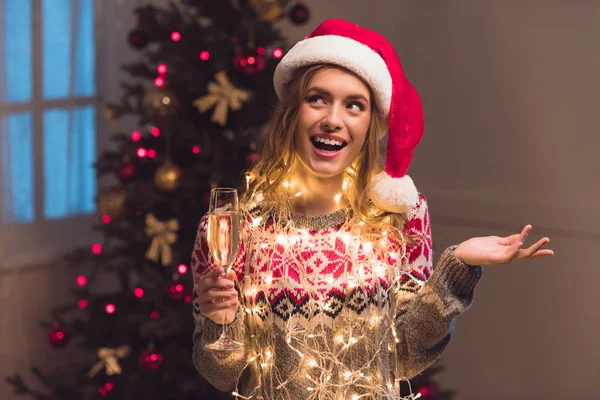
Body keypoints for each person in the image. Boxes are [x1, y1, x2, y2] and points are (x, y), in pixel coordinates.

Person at [191, 19, 553, 400]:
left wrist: (457, 266)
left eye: (354, 106)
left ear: (371, 125)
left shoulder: (399, 216)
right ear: (292, 112)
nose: (333, 120)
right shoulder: (233, 228)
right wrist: (220, 322)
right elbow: (222, 375)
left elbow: (407, 355)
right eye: (318, 98)